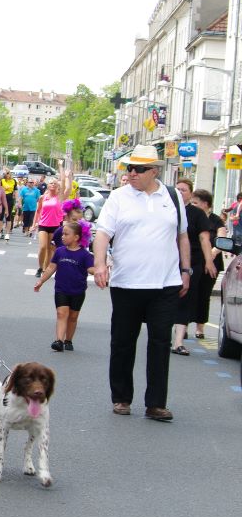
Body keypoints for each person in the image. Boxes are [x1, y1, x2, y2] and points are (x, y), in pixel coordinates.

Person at [93, 145, 188, 422]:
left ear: (154, 171)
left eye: (139, 169)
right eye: (129, 168)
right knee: (123, 342)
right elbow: (102, 234)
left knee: (160, 342)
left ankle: (156, 403)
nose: (132, 173)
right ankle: (122, 397)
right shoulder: (119, 197)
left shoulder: (171, 197)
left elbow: (182, 236)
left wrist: (186, 269)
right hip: (127, 283)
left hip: (165, 283)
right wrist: (100, 264)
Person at [34, 221, 95, 352]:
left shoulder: (85, 255)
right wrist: (41, 281)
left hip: (78, 290)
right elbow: (51, 268)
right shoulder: (60, 251)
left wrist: (100, 271)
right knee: (61, 314)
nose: (62, 236)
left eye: (66, 234)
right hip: (61, 289)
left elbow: (91, 269)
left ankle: (68, 340)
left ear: (76, 237)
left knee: (73, 317)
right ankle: (59, 341)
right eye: (62, 234)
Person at [170, 178, 215, 356]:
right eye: (178, 189)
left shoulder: (197, 214)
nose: (180, 193)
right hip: (168, 260)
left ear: (190, 193)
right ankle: (162, 336)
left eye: (184, 190)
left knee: (185, 297)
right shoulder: (166, 209)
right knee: (165, 298)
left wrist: (209, 260)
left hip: (193, 260)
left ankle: (178, 341)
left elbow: (204, 238)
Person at [192, 188, 225, 340]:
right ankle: (182, 325)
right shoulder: (191, 217)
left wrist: (209, 257)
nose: (193, 205)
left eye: (195, 203)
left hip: (212, 262)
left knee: (204, 294)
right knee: (189, 292)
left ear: (205, 204)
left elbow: (221, 241)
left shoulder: (216, 220)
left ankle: (200, 327)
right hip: (194, 260)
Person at [31, 175, 70, 276]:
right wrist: (34, 223)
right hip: (43, 224)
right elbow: (38, 211)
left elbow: (68, 188)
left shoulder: (59, 197)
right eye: (51, 183)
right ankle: (40, 267)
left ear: (58, 186)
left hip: (55, 226)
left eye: (55, 183)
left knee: (50, 248)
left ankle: (45, 269)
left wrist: (67, 176)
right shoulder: (42, 197)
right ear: (48, 185)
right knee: (43, 247)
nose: (53, 184)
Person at [1, 169, 17, 240]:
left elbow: (15, 191)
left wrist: (16, 201)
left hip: (10, 199)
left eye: (9, 173)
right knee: (1, 215)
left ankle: (7, 233)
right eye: (6, 173)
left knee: (8, 216)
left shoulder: (14, 181)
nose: (8, 174)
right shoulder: (2, 181)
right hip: (2, 199)